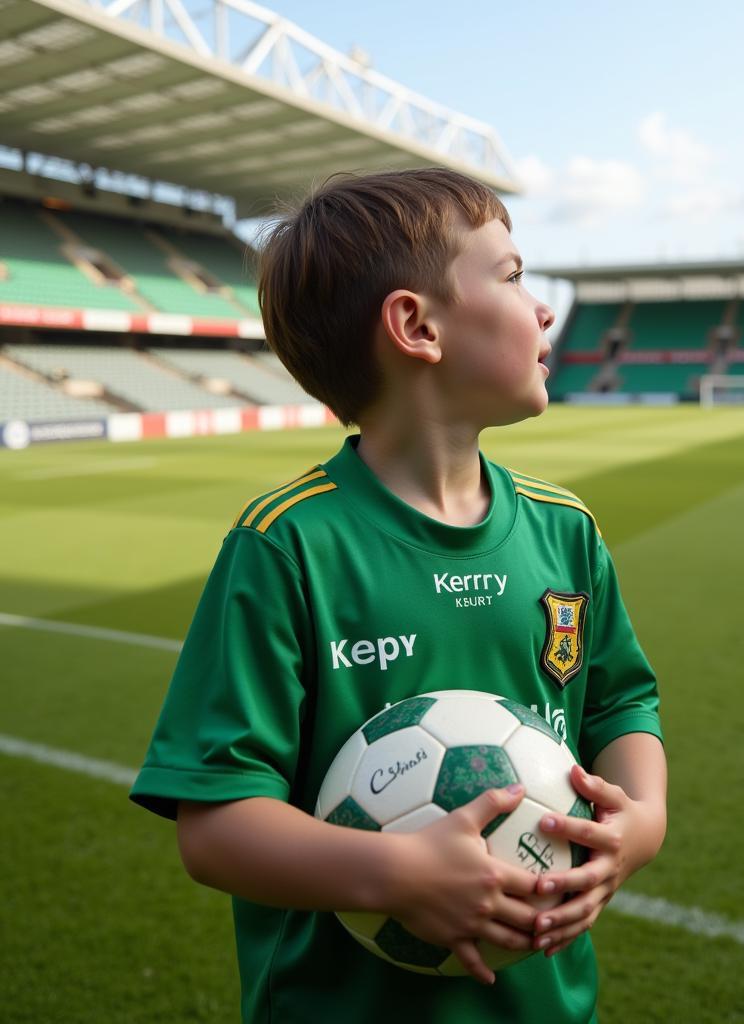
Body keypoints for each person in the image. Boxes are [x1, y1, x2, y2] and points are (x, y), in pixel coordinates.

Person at [130, 168, 667, 1023]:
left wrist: (641, 822)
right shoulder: (289, 546)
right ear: (417, 326)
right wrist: (400, 874)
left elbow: (621, 703)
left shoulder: (566, 531)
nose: (544, 309)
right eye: (514, 275)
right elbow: (216, 824)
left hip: (547, 1007)